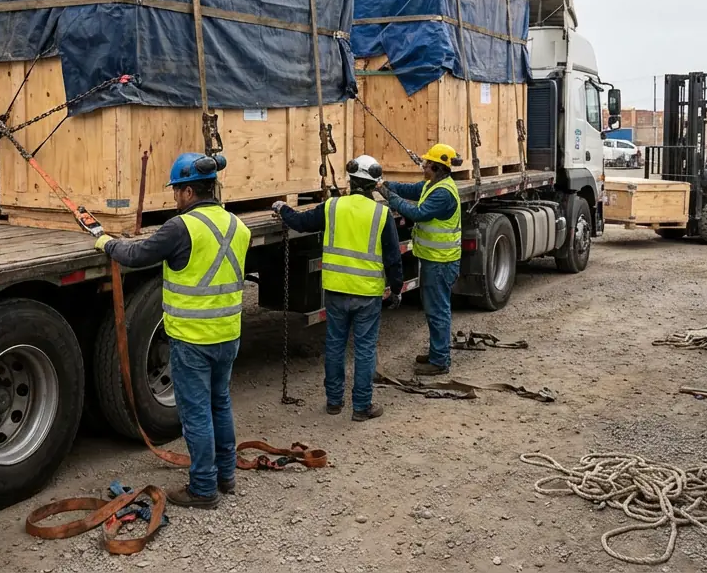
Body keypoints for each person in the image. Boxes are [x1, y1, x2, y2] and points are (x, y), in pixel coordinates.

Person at [95, 152, 248, 510]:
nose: (175, 198)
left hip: (193, 339)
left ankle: (203, 488)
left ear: (190, 193)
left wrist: (105, 242)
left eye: (177, 191)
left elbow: (135, 256)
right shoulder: (237, 226)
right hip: (228, 334)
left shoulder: (181, 228)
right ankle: (226, 476)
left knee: (195, 413)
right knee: (220, 403)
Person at [273, 155, 403, 421]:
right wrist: (397, 289)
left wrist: (282, 209)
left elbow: (300, 222)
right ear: (374, 184)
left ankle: (334, 402)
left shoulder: (332, 207)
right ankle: (361, 407)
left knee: (335, 345)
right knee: (365, 349)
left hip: (335, 290)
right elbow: (393, 258)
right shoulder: (381, 213)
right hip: (367, 293)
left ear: (351, 181)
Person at [376, 143, 462, 376]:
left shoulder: (443, 193)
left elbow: (416, 213)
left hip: (440, 262)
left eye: (426, 163)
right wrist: (384, 185)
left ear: (435, 166)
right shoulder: (432, 185)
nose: (422, 164)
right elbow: (411, 190)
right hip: (434, 259)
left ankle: (440, 360)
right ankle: (437, 353)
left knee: (437, 310)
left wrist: (389, 196)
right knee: (434, 307)